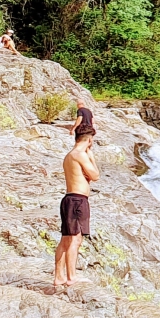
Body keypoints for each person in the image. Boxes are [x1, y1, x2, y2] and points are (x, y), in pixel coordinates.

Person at [53, 119, 100, 291]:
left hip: (69, 199)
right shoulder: (80, 155)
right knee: (75, 240)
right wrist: (92, 157)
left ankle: (59, 276)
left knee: (65, 240)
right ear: (89, 140)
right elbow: (95, 175)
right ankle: (71, 277)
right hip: (78, 201)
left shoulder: (69, 156)